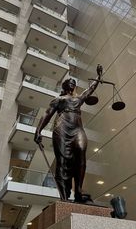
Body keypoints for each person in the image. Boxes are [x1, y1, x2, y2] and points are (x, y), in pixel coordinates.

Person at [34, 64, 103, 202]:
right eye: (69, 82)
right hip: (62, 129)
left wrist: (99, 76)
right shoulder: (59, 100)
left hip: (77, 129)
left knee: (81, 153)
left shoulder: (79, 99)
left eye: (74, 83)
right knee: (62, 162)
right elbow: (47, 114)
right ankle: (64, 195)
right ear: (65, 87)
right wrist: (38, 130)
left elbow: (90, 89)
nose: (72, 83)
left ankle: (78, 190)